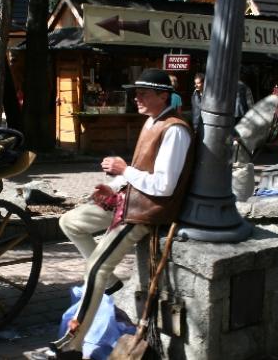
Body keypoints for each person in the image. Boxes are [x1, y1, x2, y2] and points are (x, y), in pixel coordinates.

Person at [49, 69, 194, 360]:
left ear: (163, 95)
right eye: (136, 93)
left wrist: (122, 169)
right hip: (131, 200)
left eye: (144, 93)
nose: (136, 98)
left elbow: (164, 187)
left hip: (148, 211)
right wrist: (112, 185)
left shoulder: (175, 129)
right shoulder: (152, 121)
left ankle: (71, 346)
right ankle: (113, 282)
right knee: (70, 221)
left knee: (95, 269)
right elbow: (140, 171)